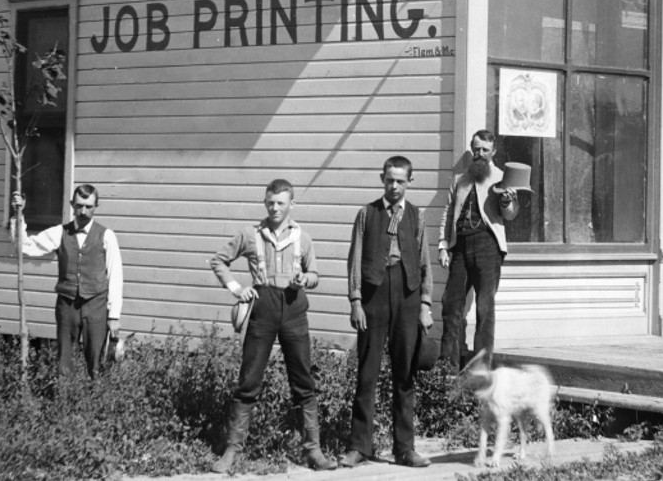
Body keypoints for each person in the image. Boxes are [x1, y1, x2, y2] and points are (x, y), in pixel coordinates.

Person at [208, 179, 336, 473]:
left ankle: (313, 451)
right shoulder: (250, 234)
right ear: (264, 202)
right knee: (249, 379)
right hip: (262, 308)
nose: (275, 208)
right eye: (270, 202)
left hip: (294, 308)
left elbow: (315, 274)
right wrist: (237, 288)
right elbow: (219, 261)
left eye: (280, 203)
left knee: (303, 379)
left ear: (292, 204)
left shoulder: (303, 237)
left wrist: (306, 279)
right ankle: (232, 451)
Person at [341, 155, 433, 469]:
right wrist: (356, 301)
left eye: (400, 181)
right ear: (382, 178)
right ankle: (359, 447)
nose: (394, 186)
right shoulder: (367, 214)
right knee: (367, 373)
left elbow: (424, 261)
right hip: (373, 295)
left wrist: (425, 304)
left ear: (410, 181)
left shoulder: (417, 216)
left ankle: (405, 449)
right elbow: (354, 258)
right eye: (389, 180)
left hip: (407, 295)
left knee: (405, 374)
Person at [11, 184, 122, 377]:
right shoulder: (59, 232)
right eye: (79, 206)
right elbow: (24, 246)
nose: (83, 211)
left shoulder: (107, 236)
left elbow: (115, 276)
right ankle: (65, 394)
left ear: (96, 207)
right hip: (67, 304)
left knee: (96, 360)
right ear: (72, 205)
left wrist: (114, 316)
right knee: (64, 359)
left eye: (88, 206)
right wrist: (18, 215)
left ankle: (96, 395)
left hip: (96, 305)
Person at [437, 130, 519, 368]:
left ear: (494, 152)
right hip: (460, 248)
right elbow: (448, 214)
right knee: (451, 305)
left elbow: (510, 215)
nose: (480, 153)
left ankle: (481, 367)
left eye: (485, 149)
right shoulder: (459, 179)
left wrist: (507, 201)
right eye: (476, 149)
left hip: (488, 247)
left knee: (485, 307)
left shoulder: (503, 178)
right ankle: (448, 368)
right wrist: (443, 245)